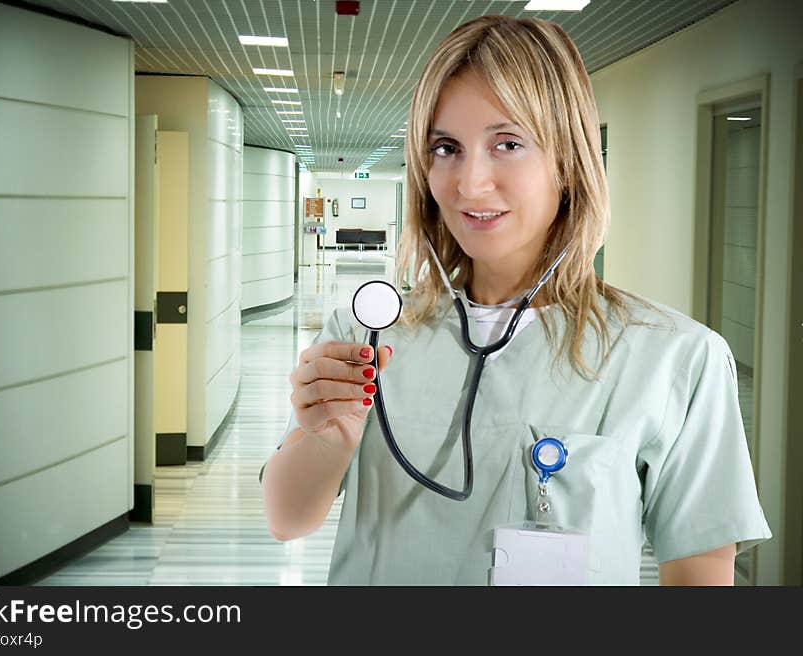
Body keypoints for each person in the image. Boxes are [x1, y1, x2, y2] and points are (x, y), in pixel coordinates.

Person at [260, 15, 771, 585]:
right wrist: (329, 433)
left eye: (507, 143)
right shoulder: (369, 335)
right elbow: (286, 519)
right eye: (445, 148)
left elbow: (699, 578)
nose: (470, 183)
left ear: (569, 161)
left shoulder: (674, 358)